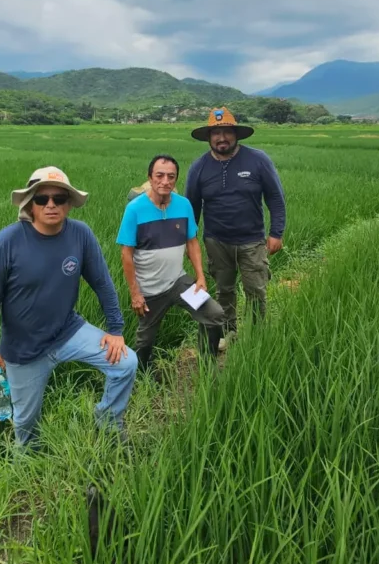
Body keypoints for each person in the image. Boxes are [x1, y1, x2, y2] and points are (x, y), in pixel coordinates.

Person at [0, 166, 137, 449]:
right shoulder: (9, 241)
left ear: (69, 203)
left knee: (126, 363)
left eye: (59, 198)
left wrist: (115, 329)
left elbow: (102, 283)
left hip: (68, 331)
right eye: (42, 199)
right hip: (24, 349)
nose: (51, 205)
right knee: (26, 427)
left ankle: (108, 422)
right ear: (31, 204)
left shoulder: (80, 234)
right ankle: (27, 466)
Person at [117, 155, 225, 375]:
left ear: (176, 179)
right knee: (145, 340)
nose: (165, 181)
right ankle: (143, 375)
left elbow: (192, 242)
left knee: (214, 314)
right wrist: (135, 293)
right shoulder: (135, 209)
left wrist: (200, 276)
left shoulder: (183, 205)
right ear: (150, 177)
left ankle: (207, 363)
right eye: (159, 175)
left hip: (178, 282)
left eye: (171, 176)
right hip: (149, 290)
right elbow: (126, 254)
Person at [185, 107, 286, 337]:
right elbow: (192, 208)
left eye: (227, 132)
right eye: (216, 133)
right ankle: (228, 332)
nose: (222, 138)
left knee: (256, 291)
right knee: (224, 291)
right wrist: (188, 241)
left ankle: (256, 335)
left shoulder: (258, 160)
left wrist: (276, 233)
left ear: (236, 134)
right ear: (209, 137)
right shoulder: (199, 167)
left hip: (252, 241)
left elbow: (275, 198)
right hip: (216, 241)